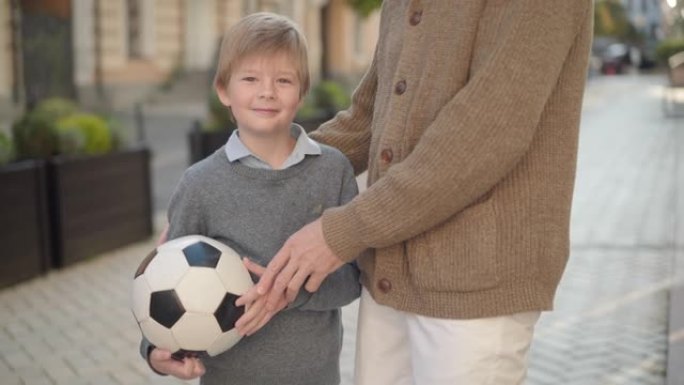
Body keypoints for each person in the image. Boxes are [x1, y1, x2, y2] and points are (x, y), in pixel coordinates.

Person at [236, 1, 594, 384]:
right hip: (390, 277)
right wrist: (235, 181)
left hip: (475, 289)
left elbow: (482, 136)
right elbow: (369, 119)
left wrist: (341, 232)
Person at [139, 12, 361, 385]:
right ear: (223, 89)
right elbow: (162, 283)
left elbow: (354, 281)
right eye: (250, 78)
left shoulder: (333, 171)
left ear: (303, 90)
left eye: (284, 80)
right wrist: (156, 352)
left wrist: (286, 291)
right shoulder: (200, 184)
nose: (267, 91)